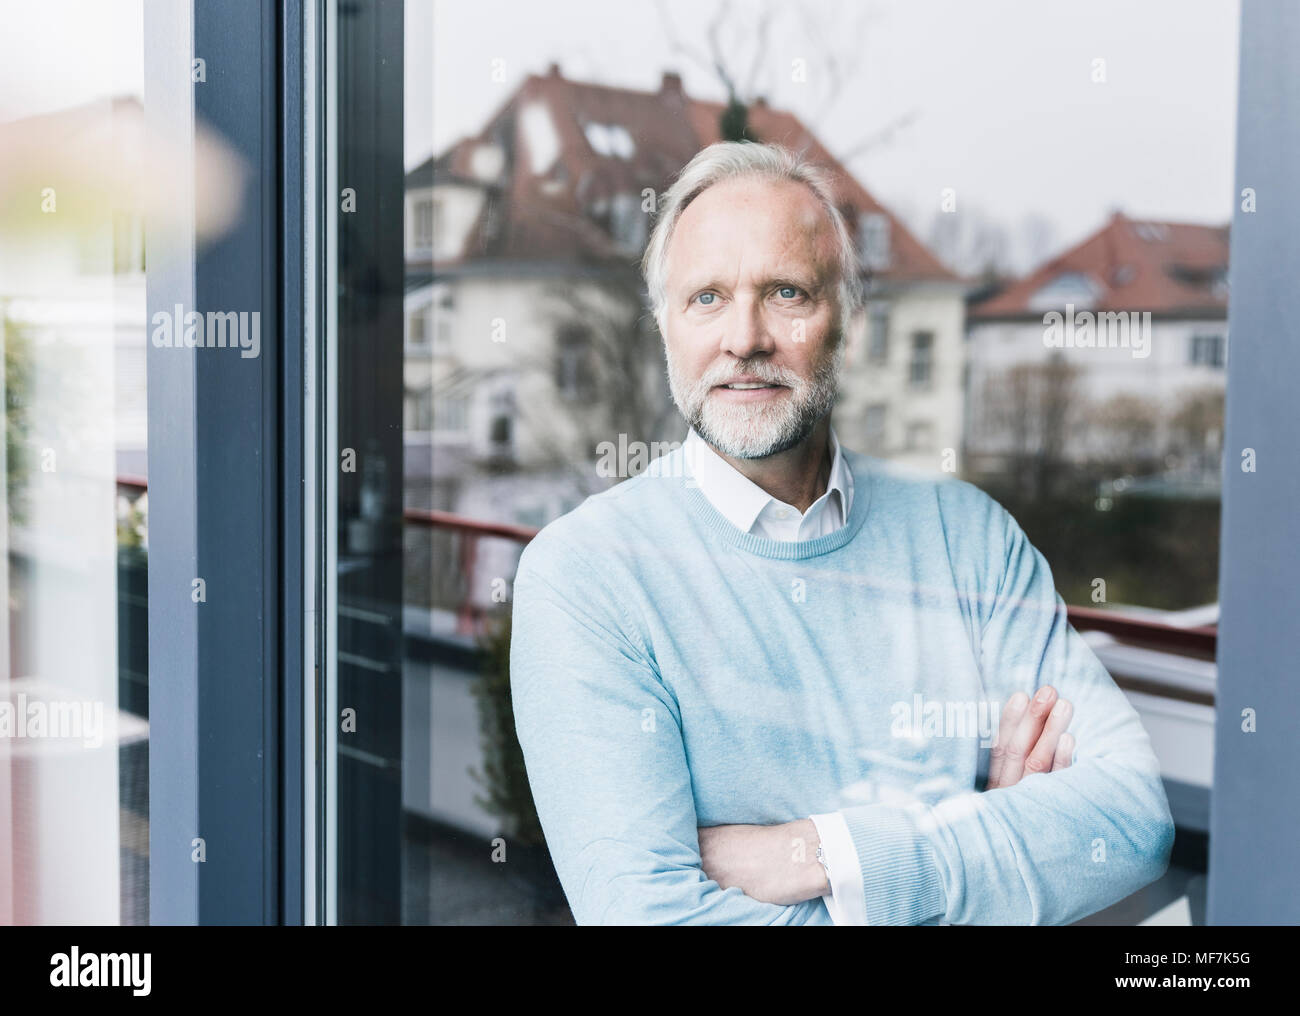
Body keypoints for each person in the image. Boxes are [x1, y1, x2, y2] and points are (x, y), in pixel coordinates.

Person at [509, 141, 1174, 925]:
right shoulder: (587, 574)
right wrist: (986, 854)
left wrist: (827, 855)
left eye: (787, 292)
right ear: (665, 327)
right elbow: (649, 918)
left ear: (850, 322)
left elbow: (1131, 821)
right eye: (707, 298)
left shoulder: (969, 538)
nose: (745, 337)